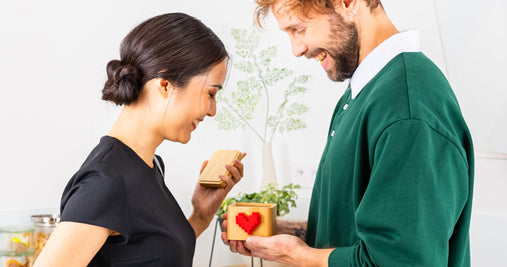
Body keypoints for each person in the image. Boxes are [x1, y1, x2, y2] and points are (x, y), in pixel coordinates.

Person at [222, 0, 474, 266]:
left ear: (348, 3)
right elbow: (362, 230)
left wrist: (294, 254)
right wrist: (287, 231)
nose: (297, 49)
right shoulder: (367, 92)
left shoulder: (407, 111)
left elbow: (397, 261)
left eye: (299, 29)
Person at [33, 12, 245, 267]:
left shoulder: (150, 165)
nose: (212, 110)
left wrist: (201, 216)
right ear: (164, 85)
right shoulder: (106, 182)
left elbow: (152, 256)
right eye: (210, 93)